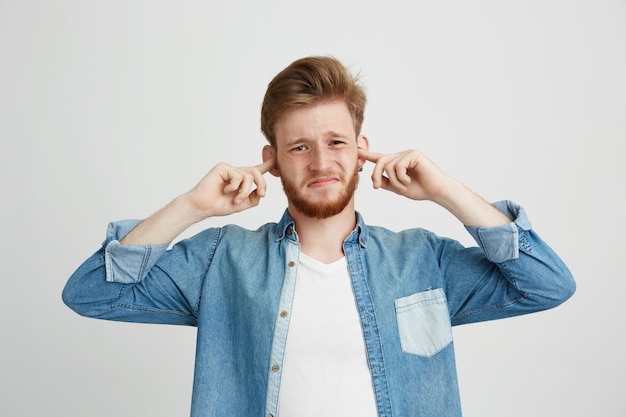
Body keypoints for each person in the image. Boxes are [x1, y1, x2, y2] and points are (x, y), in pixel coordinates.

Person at [62, 56, 575, 417]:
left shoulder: (423, 260)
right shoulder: (223, 261)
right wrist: (192, 207)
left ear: (362, 149)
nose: (322, 162)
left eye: (336, 142)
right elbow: (91, 292)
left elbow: (546, 284)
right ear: (273, 161)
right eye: (300, 147)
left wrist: (447, 191)